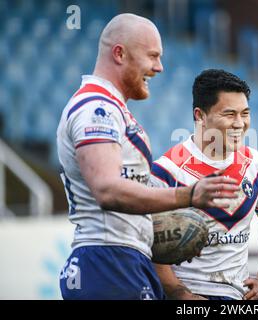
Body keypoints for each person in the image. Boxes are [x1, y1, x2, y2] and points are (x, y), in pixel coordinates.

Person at [56, 14, 239, 300]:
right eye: (153, 56)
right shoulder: (97, 109)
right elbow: (107, 190)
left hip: (122, 262)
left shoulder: (112, 109)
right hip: (109, 262)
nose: (159, 67)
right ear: (120, 53)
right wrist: (187, 196)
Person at [149, 69, 258, 300]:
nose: (240, 123)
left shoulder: (256, 165)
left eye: (245, 113)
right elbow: (148, 244)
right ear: (200, 115)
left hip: (236, 296)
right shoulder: (166, 171)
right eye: (229, 114)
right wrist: (181, 295)